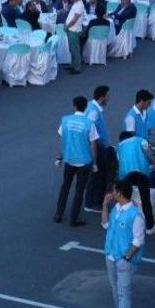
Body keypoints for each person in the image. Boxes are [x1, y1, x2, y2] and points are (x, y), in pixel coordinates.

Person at [101, 178, 144, 308]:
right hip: (111, 255)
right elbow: (105, 225)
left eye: (113, 191)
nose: (111, 193)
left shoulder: (136, 214)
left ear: (119, 193)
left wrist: (127, 257)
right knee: (115, 288)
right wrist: (105, 205)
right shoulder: (116, 209)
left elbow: (138, 241)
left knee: (123, 293)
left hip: (124, 259)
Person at [54, 96, 98, 226]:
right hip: (84, 161)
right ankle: (74, 218)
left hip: (69, 159)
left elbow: (63, 140)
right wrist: (95, 162)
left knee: (65, 186)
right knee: (79, 190)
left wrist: (60, 156)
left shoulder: (65, 120)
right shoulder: (89, 123)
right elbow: (93, 144)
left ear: (74, 106)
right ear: (85, 107)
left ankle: (58, 214)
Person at [115, 130, 155, 234]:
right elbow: (148, 152)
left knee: (125, 199)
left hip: (125, 175)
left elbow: (118, 161)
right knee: (145, 200)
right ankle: (150, 227)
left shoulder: (119, 146)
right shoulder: (139, 140)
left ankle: (123, 223)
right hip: (140, 172)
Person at [64, 0, 86, 74]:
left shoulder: (79, 5)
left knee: (75, 49)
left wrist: (67, 26)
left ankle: (77, 68)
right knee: (72, 48)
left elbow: (75, 19)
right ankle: (73, 65)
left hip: (74, 30)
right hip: (71, 29)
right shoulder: (76, 4)